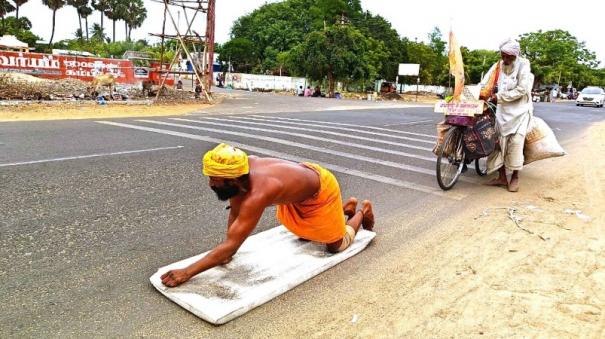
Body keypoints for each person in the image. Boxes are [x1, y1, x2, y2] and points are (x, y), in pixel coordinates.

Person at [161, 144, 375, 287]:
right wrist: (226, 252)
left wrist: (187, 272)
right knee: (303, 234)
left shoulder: (258, 193)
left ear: (234, 181)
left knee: (334, 246)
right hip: (297, 191)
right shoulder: (240, 172)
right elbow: (235, 213)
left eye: (215, 181)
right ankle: (342, 210)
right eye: (210, 178)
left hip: (321, 191)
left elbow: (234, 242)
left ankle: (358, 213)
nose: (210, 184)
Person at [480, 38, 534, 192]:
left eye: (509, 56)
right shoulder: (498, 65)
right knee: (497, 144)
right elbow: (485, 82)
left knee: (516, 144)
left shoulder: (524, 64)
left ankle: (515, 176)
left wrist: (500, 97)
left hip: (520, 111)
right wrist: (474, 93)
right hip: (502, 112)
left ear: (515, 55)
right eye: (503, 55)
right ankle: (502, 177)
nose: (505, 59)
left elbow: (522, 89)